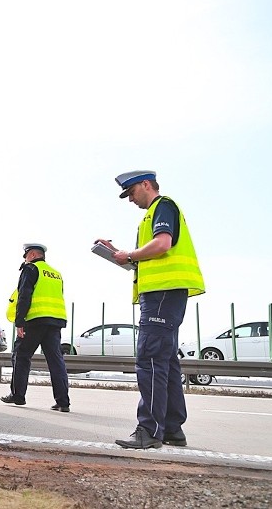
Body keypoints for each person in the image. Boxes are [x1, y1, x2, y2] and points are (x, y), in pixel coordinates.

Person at [96, 170, 205, 449]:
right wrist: (119, 253)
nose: (130, 199)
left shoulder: (162, 206)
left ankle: (149, 430)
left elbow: (163, 244)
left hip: (162, 293)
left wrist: (129, 254)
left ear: (146, 185)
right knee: (166, 361)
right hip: (166, 293)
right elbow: (151, 255)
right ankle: (171, 429)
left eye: (131, 192)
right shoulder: (153, 213)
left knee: (151, 358)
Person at [1, 243, 71, 412]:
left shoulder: (31, 269)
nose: (24, 260)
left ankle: (18, 396)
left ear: (32, 255)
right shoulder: (56, 273)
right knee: (56, 361)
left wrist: (19, 321)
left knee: (21, 356)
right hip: (55, 322)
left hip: (35, 321)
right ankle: (63, 402)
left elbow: (24, 295)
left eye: (25, 256)